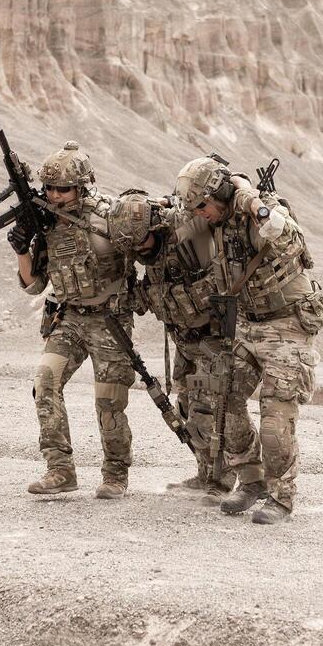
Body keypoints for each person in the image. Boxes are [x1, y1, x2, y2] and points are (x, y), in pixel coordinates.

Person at [171, 157, 323, 525]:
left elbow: (281, 233)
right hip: (246, 325)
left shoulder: (263, 215)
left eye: (204, 206)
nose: (201, 215)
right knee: (218, 397)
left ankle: (282, 496)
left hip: (287, 326)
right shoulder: (215, 220)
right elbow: (178, 230)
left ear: (222, 194)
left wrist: (250, 198)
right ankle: (251, 479)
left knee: (275, 419)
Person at [106, 192, 261, 502]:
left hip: (215, 337)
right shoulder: (144, 253)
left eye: (142, 243)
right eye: (132, 247)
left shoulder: (189, 234)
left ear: (155, 228)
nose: (138, 251)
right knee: (188, 409)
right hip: (184, 340)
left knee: (214, 410)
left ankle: (246, 477)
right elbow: (146, 298)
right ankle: (209, 473)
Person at [9, 142, 136, 499]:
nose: (54, 194)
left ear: (81, 186)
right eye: (49, 187)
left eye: (62, 188)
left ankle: (115, 474)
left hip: (110, 320)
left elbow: (147, 253)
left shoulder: (107, 217)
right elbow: (34, 285)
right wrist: (22, 250)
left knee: (109, 400)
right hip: (69, 318)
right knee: (45, 384)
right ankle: (59, 469)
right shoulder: (47, 223)